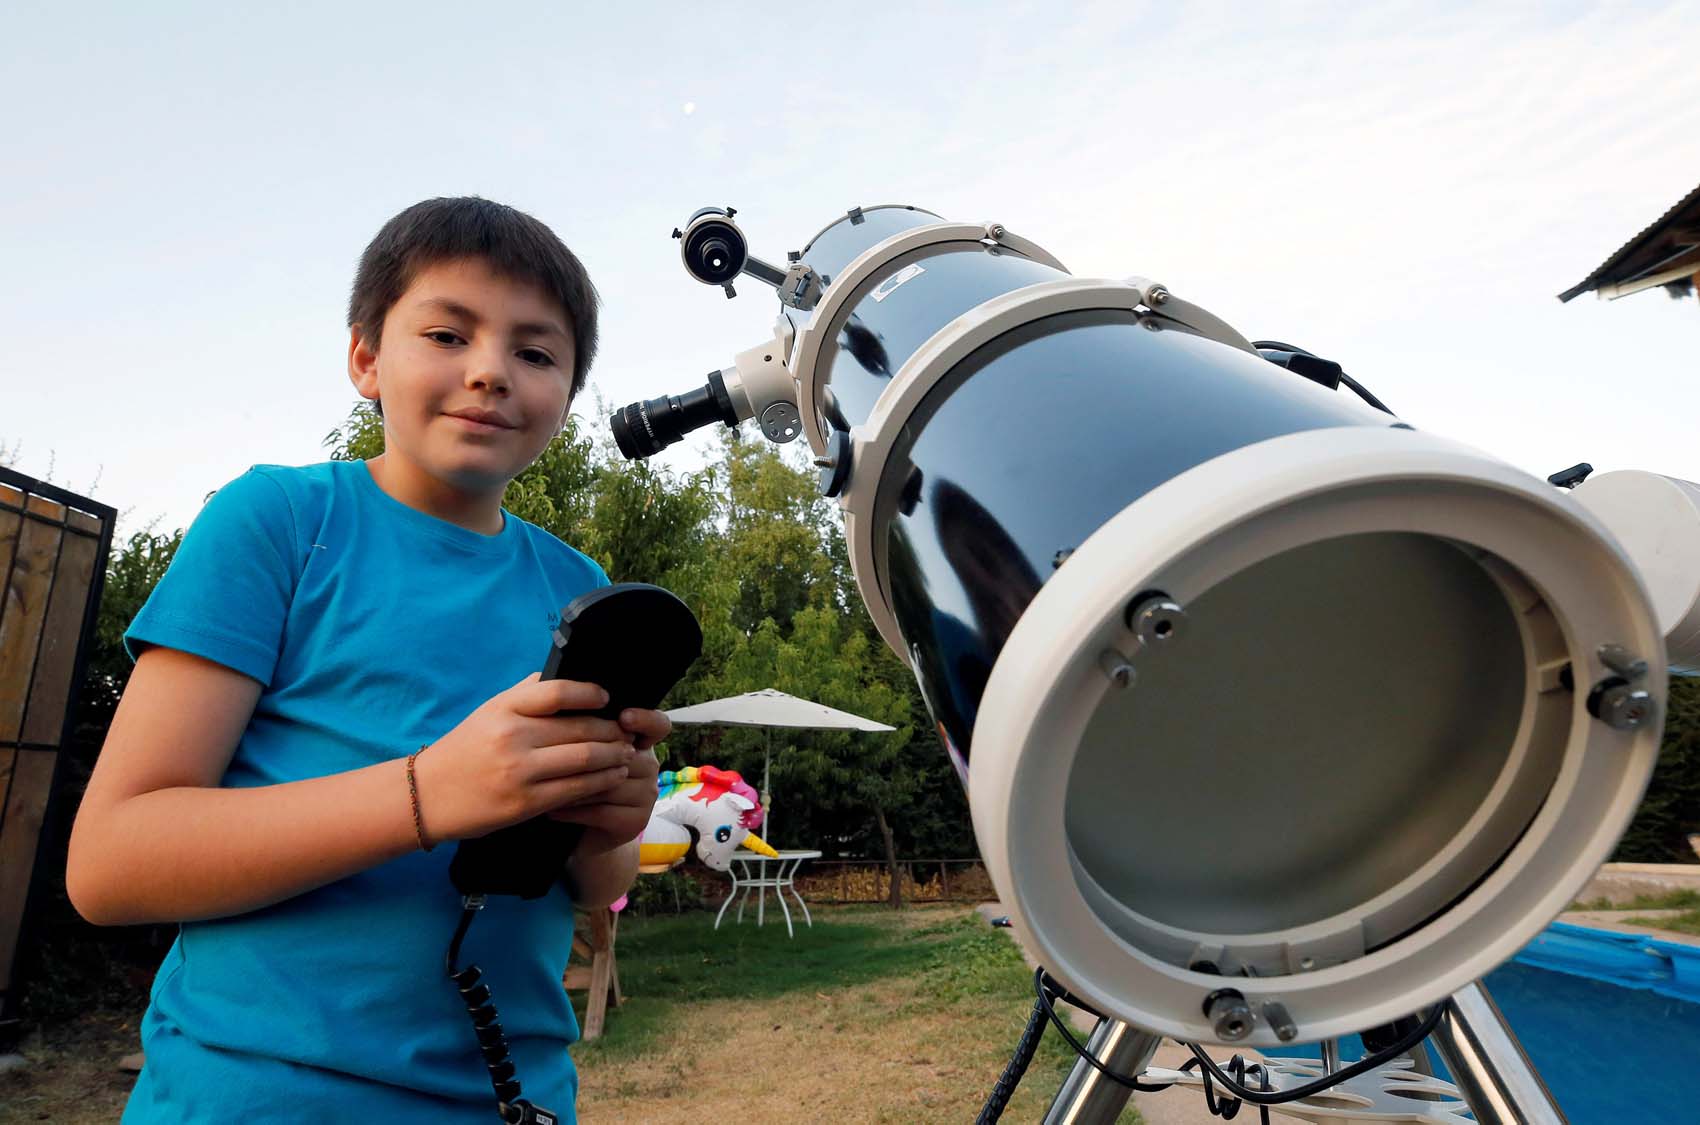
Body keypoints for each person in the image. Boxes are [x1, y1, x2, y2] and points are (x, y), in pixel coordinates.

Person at [65, 196, 666, 1122]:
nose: (490, 373)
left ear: (567, 395)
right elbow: (110, 863)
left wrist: (607, 825)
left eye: (536, 353)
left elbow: (598, 885)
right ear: (365, 360)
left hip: (516, 1097)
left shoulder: (578, 583)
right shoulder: (279, 524)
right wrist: (429, 791)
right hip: (255, 1097)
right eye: (446, 333)